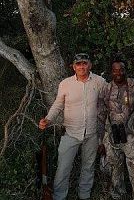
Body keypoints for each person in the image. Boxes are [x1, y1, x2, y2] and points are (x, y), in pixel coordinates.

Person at [39, 53, 107, 200]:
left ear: (90, 65)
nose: (81, 66)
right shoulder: (65, 84)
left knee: (88, 166)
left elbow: (108, 100)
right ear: (73, 67)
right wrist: (48, 119)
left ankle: (84, 195)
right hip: (70, 133)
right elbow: (58, 104)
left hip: (92, 133)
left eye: (84, 63)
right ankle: (58, 196)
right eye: (78, 64)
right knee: (63, 167)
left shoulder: (99, 82)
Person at [99, 59, 134, 200]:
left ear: (125, 70)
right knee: (113, 170)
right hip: (111, 136)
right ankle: (117, 195)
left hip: (132, 136)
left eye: (121, 69)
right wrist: (101, 141)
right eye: (115, 70)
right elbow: (101, 115)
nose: (118, 73)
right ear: (111, 72)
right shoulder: (106, 88)